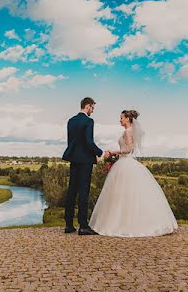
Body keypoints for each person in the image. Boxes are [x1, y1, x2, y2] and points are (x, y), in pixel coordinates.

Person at [89, 110, 178, 237]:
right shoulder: (129, 131)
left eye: (121, 118)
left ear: (127, 119)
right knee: (124, 195)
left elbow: (129, 149)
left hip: (125, 163)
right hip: (125, 163)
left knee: (123, 195)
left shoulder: (127, 132)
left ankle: (123, 224)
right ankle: (126, 222)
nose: (120, 120)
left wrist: (113, 152)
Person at [62, 96, 103, 235]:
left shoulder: (71, 121)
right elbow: (89, 142)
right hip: (85, 160)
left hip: (74, 159)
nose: (93, 111)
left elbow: (71, 142)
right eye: (92, 108)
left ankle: (68, 225)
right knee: (83, 192)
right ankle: (83, 226)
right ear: (88, 106)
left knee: (72, 190)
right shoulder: (89, 121)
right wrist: (100, 153)